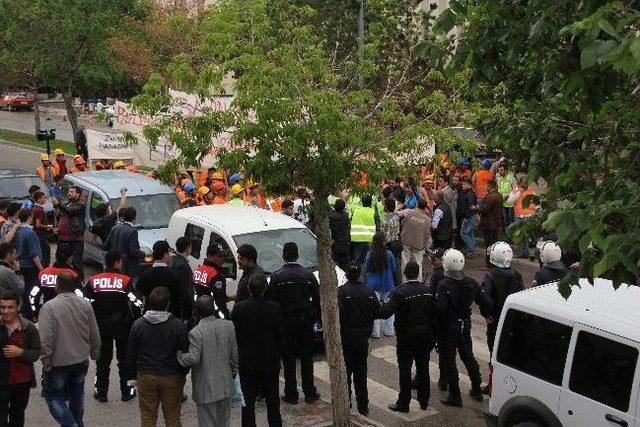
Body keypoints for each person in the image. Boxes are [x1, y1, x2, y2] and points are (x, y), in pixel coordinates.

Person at [39, 274, 101, 427]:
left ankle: (70, 424)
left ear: (57, 287)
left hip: (57, 362)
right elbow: (95, 332)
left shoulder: (49, 307)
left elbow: (45, 337)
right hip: (80, 360)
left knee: (53, 396)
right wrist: (95, 353)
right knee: (77, 392)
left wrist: (45, 358)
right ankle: (77, 422)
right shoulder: (85, 305)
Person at [436, 249, 492, 407]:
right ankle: (476, 387)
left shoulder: (444, 284)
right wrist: (487, 314)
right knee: (468, 356)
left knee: (449, 360)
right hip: (464, 324)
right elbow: (486, 302)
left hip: (449, 327)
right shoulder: (471, 283)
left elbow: (440, 308)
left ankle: (455, 395)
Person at [85, 251, 143, 402]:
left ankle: (101, 393)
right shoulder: (125, 280)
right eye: (121, 262)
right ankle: (128, 391)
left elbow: (84, 300)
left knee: (102, 361)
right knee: (126, 361)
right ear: (116, 263)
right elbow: (137, 302)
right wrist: (136, 318)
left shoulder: (93, 280)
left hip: (101, 326)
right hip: (123, 325)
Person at [377, 261, 435, 413]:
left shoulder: (399, 292)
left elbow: (384, 312)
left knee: (405, 370)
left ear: (405, 273)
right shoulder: (427, 290)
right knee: (423, 368)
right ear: (417, 273)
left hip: (406, 337)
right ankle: (424, 401)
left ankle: (404, 403)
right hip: (425, 335)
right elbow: (435, 313)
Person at [267, 242, 321, 404]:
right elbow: (318, 299)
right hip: (305, 322)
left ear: (283, 256)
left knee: (289, 359)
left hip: (286, 324)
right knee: (306, 358)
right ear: (297, 255)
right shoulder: (308, 275)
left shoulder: (277, 277)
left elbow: (272, 302)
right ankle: (309, 392)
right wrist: (318, 317)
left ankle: (291, 393)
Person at [128, 287, 188, 427]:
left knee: (148, 417)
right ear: (167, 304)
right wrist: (182, 374)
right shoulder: (177, 325)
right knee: (172, 416)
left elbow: (131, 353)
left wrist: (132, 377)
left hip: (146, 376)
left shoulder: (138, 325)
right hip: (171, 376)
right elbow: (185, 352)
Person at [177, 296, 238, 427]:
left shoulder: (196, 332)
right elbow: (234, 355)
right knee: (224, 422)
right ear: (214, 308)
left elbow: (193, 358)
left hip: (205, 387)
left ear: (197, 312)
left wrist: (179, 355)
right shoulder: (229, 326)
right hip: (226, 383)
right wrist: (233, 373)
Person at [232, 275, 284, 427]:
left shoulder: (239, 308)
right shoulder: (274, 308)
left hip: (247, 361)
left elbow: (235, 334)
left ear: (248, 289)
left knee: (247, 401)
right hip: (269, 360)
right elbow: (280, 335)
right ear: (265, 289)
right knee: (272, 399)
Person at [480, 242, 523, 394]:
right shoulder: (517, 275)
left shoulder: (491, 275)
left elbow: (485, 298)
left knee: (494, 354)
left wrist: (487, 314)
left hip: (496, 321)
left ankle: (492, 387)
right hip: (512, 322)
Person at [337, 263, 379, 416]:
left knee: (346, 374)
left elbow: (338, 315)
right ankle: (363, 407)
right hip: (362, 339)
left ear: (347, 274)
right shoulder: (368, 292)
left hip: (347, 338)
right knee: (361, 375)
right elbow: (377, 310)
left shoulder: (341, 292)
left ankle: (346, 405)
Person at [0, 291, 41, 427]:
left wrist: (20, 352)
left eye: (10, 307)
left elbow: (36, 354)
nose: (6, 311)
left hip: (21, 382)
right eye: (2, 307)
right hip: (1, 381)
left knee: (17, 418)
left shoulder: (29, 328)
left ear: (18, 307)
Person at [136, 241, 191, 320]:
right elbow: (184, 297)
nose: (170, 256)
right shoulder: (174, 276)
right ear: (165, 255)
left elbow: (139, 293)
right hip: (170, 318)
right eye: (169, 253)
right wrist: (186, 317)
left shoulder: (145, 275)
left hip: (149, 318)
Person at [31, 245, 82, 320]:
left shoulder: (44, 273)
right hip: (68, 315)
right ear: (69, 258)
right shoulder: (73, 274)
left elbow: (33, 295)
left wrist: (36, 311)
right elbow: (80, 295)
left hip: (48, 313)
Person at [365, 232, 396, 338]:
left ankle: (375, 332)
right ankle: (389, 330)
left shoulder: (370, 254)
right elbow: (393, 268)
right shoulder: (389, 254)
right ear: (384, 242)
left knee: (374, 309)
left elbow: (367, 269)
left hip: (373, 285)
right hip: (388, 284)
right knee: (390, 308)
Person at [14, 210, 43, 320]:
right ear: (29, 217)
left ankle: (27, 311)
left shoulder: (19, 231)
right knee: (32, 290)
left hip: (23, 264)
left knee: (27, 288)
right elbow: (33, 253)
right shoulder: (29, 233)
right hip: (31, 265)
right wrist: (41, 268)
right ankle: (30, 312)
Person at [52, 185, 86, 277]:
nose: (69, 193)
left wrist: (58, 204)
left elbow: (69, 212)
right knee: (61, 261)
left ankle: (79, 282)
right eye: (69, 192)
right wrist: (56, 227)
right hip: (62, 238)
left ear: (78, 195)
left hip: (75, 239)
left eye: (72, 192)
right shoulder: (66, 204)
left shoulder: (80, 205)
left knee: (76, 262)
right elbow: (59, 217)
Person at [192, 243, 229, 319]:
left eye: (223, 256)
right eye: (219, 256)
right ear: (209, 256)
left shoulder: (198, 270)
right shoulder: (216, 275)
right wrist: (226, 317)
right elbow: (219, 300)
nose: (222, 259)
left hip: (197, 312)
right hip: (212, 316)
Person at [397, 199, 431, 280]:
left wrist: (398, 208)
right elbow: (427, 235)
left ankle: (405, 281)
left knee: (405, 261)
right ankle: (418, 282)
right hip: (419, 243)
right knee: (418, 263)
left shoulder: (408, 212)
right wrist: (426, 247)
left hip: (406, 240)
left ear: (417, 205)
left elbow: (396, 214)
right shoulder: (427, 220)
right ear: (424, 208)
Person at [103, 206, 141, 278]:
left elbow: (106, 246)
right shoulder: (132, 231)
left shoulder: (115, 228)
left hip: (115, 266)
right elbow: (134, 251)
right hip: (128, 268)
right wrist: (142, 254)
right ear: (134, 218)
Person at [169, 237, 195, 324]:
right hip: (180, 310)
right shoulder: (183, 265)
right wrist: (187, 314)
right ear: (187, 248)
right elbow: (185, 290)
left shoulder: (173, 260)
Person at [477, 180, 503, 264]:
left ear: (490, 186)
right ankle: (495, 260)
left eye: (487, 186)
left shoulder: (490, 197)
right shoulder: (499, 196)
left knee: (489, 244)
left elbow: (485, 210)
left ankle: (489, 261)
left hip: (489, 223)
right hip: (496, 223)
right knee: (494, 243)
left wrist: (477, 209)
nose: (486, 188)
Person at [350, 194, 377, 267]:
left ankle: (357, 275)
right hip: (370, 239)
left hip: (357, 238)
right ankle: (367, 275)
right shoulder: (374, 212)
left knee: (357, 260)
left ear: (362, 202)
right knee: (368, 260)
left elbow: (351, 222)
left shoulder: (356, 211)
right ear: (371, 202)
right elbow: (378, 225)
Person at [30, 191, 53, 268]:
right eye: (44, 198)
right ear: (39, 199)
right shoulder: (39, 210)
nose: (45, 199)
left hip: (37, 234)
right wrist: (48, 227)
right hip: (40, 235)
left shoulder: (34, 207)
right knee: (45, 253)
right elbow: (38, 224)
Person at [456, 179, 478, 256]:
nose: (463, 186)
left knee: (464, 233)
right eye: (462, 184)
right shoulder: (467, 193)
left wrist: (465, 216)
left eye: (465, 184)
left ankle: (471, 250)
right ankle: (471, 250)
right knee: (470, 233)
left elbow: (471, 206)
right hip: (470, 216)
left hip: (469, 216)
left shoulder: (469, 194)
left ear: (469, 185)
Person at [329, 199, 351, 270]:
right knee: (344, 265)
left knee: (333, 265)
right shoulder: (346, 216)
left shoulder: (332, 217)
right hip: (344, 244)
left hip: (335, 244)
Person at [495, 163, 517, 233]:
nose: (499, 172)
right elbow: (498, 187)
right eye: (498, 171)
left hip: (510, 203)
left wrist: (507, 196)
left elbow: (516, 190)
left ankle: (512, 233)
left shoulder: (511, 178)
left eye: (501, 170)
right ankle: (506, 233)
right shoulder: (497, 176)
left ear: (506, 170)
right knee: (504, 219)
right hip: (502, 202)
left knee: (511, 220)